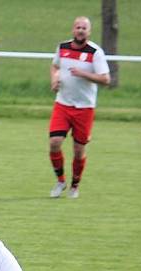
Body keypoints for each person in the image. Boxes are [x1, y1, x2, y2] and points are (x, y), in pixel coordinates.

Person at [48, 16, 110, 199]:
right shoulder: (63, 47)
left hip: (84, 108)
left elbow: (106, 79)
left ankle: (75, 185)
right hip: (63, 104)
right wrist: (54, 79)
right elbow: (55, 66)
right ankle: (60, 181)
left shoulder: (95, 52)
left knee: (78, 150)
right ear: (73, 30)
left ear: (88, 32)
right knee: (54, 143)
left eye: (84, 28)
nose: (80, 30)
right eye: (78, 27)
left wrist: (83, 73)